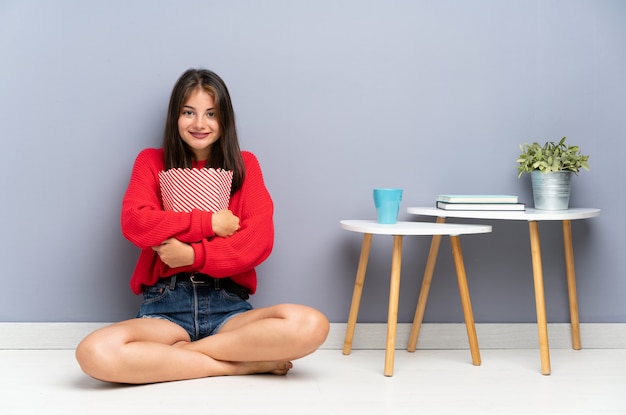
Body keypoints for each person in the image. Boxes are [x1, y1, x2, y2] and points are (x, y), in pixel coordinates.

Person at [76, 69, 330, 384]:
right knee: (94, 352)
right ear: (175, 117)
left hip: (230, 311)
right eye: (189, 113)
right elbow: (136, 222)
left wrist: (193, 256)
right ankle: (237, 365)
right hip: (166, 311)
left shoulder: (245, 164)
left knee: (311, 324)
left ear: (225, 119)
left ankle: (180, 358)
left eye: (211, 113)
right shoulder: (152, 161)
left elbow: (258, 241)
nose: (200, 123)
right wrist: (208, 221)